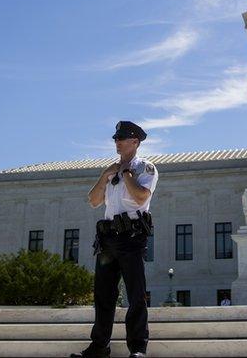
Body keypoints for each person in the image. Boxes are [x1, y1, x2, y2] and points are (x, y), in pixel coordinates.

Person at [71, 121, 157, 358]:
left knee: (136, 295)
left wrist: (126, 174)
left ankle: (138, 348)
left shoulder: (145, 168)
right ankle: (99, 347)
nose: (117, 142)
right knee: (103, 295)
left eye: (122, 138)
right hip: (108, 239)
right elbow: (94, 201)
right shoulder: (110, 170)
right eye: (116, 138)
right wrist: (104, 175)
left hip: (131, 237)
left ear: (135, 142)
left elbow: (141, 198)